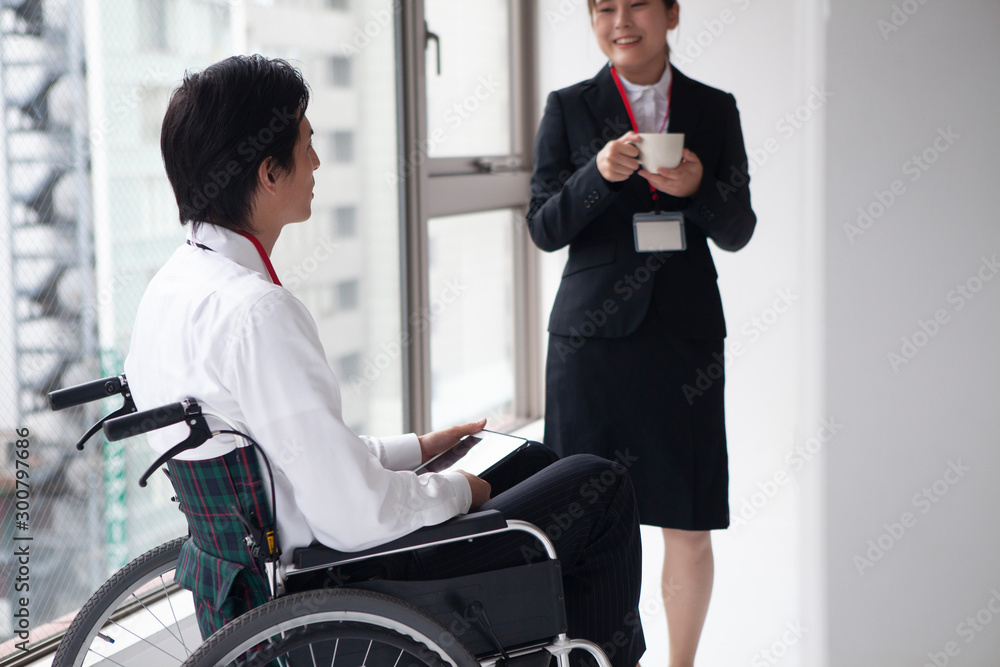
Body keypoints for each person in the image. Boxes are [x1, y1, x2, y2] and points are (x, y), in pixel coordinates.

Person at [123, 54, 645, 667]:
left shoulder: (173, 288)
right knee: (600, 486)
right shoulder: (257, 313)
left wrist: (416, 449)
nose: (316, 163)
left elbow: (282, 458)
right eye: (307, 144)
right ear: (269, 172)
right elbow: (352, 515)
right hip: (342, 576)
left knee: (528, 457)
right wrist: (455, 490)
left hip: (262, 564)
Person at [526, 1, 756, 665]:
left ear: (671, 13)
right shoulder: (569, 107)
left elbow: (738, 228)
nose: (621, 20)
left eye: (637, 5)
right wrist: (596, 175)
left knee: (688, 518)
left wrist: (697, 186)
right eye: (604, 7)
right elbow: (543, 226)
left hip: (684, 346)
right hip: (589, 348)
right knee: (574, 525)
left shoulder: (714, 109)